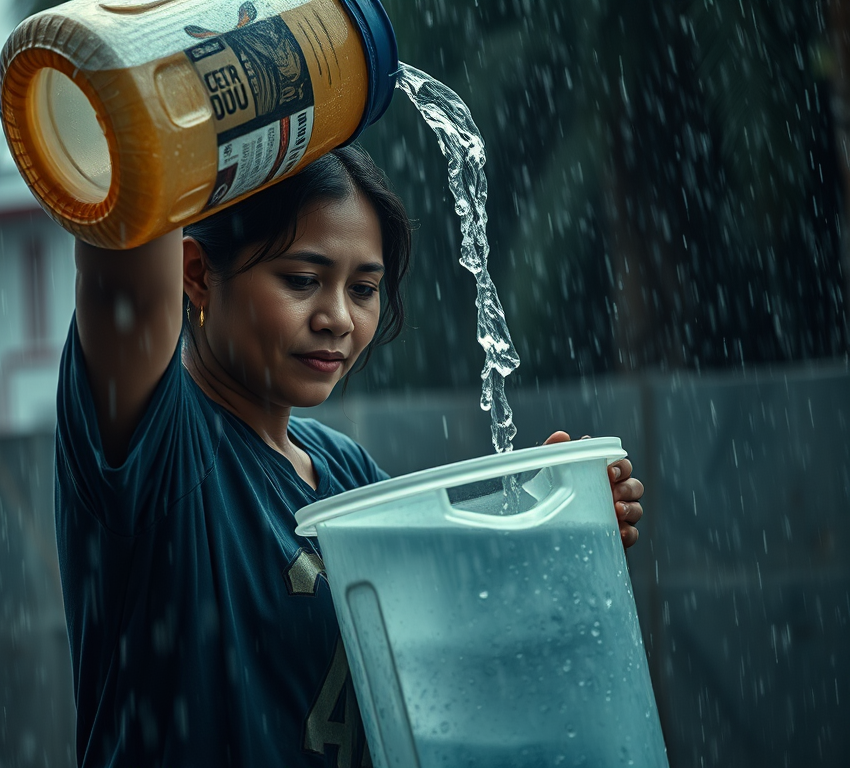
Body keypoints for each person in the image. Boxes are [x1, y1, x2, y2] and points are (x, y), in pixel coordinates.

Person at [54, 144, 645, 768]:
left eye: (363, 288)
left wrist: (552, 525)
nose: (338, 317)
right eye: (303, 280)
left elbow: (463, 631)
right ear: (197, 274)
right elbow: (125, 247)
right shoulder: (161, 444)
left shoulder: (347, 475)